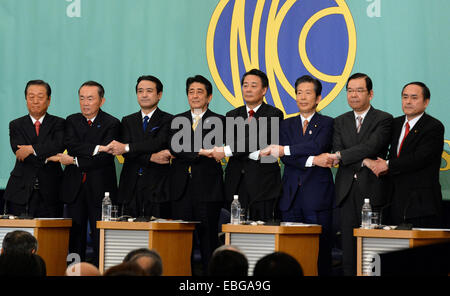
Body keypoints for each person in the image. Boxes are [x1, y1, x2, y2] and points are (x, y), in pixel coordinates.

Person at [260, 75, 335, 275]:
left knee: (320, 253)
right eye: (299, 93)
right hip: (290, 198)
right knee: (290, 253)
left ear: (318, 98)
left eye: (308, 93)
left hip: (317, 199)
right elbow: (285, 158)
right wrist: (312, 160)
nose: (302, 97)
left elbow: (316, 145)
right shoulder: (286, 124)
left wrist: (286, 149)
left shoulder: (327, 123)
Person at [329, 73, 393, 276]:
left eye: (359, 90)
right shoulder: (339, 121)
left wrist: (343, 155)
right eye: (349, 91)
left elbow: (372, 145)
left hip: (373, 190)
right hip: (346, 191)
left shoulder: (384, 119)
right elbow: (338, 151)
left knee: (372, 252)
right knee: (348, 250)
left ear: (371, 94)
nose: (353, 95)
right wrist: (365, 160)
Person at [363, 82, 444, 228]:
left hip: (420, 204)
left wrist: (387, 164)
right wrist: (366, 160)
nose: (408, 101)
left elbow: (420, 158)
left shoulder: (434, 127)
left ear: (426, 102)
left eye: (414, 97)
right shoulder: (395, 123)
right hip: (394, 201)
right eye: (405, 97)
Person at [168, 75, 225, 275]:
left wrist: (190, 151)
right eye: (191, 92)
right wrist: (203, 152)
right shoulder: (177, 120)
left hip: (208, 192)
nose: (195, 95)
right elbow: (176, 148)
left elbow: (186, 150)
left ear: (209, 96)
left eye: (199, 92)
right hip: (180, 192)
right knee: (181, 244)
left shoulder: (220, 121)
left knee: (209, 243)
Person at [210, 69, 284, 222]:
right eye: (245, 85)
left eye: (253, 85)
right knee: (235, 229)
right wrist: (255, 153)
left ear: (264, 90)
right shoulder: (232, 115)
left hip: (264, 184)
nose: (248, 89)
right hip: (236, 182)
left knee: (262, 230)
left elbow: (259, 139)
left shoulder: (274, 114)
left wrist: (227, 151)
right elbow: (233, 143)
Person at [59, 81, 120, 264]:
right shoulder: (71, 120)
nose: (85, 103)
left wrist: (76, 160)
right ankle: (75, 271)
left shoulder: (112, 123)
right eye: (82, 98)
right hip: (74, 188)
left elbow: (106, 157)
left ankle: (101, 269)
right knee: (74, 237)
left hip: (101, 190)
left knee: (100, 236)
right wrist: (98, 148)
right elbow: (70, 145)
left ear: (101, 101)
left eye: (91, 98)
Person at [106, 75, 173, 219]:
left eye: (149, 91)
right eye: (140, 91)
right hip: (130, 186)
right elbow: (125, 153)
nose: (144, 95)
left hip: (157, 185)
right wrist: (151, 157)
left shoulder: (169, 119)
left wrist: (128, 147)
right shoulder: (127, 120)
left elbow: (158, 142)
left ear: (159, 95)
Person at [3, 80, 65, 218]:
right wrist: (50, 157)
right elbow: (21, 154)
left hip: (52, 190)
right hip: (21, 190)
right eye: (31, 97)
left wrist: (31, 148)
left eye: (40, 97)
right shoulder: (16, 125)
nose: (35, 101)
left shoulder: (59, 123)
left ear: (49, 100)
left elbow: (58, 145)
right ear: (26, 99)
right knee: (19, 236)